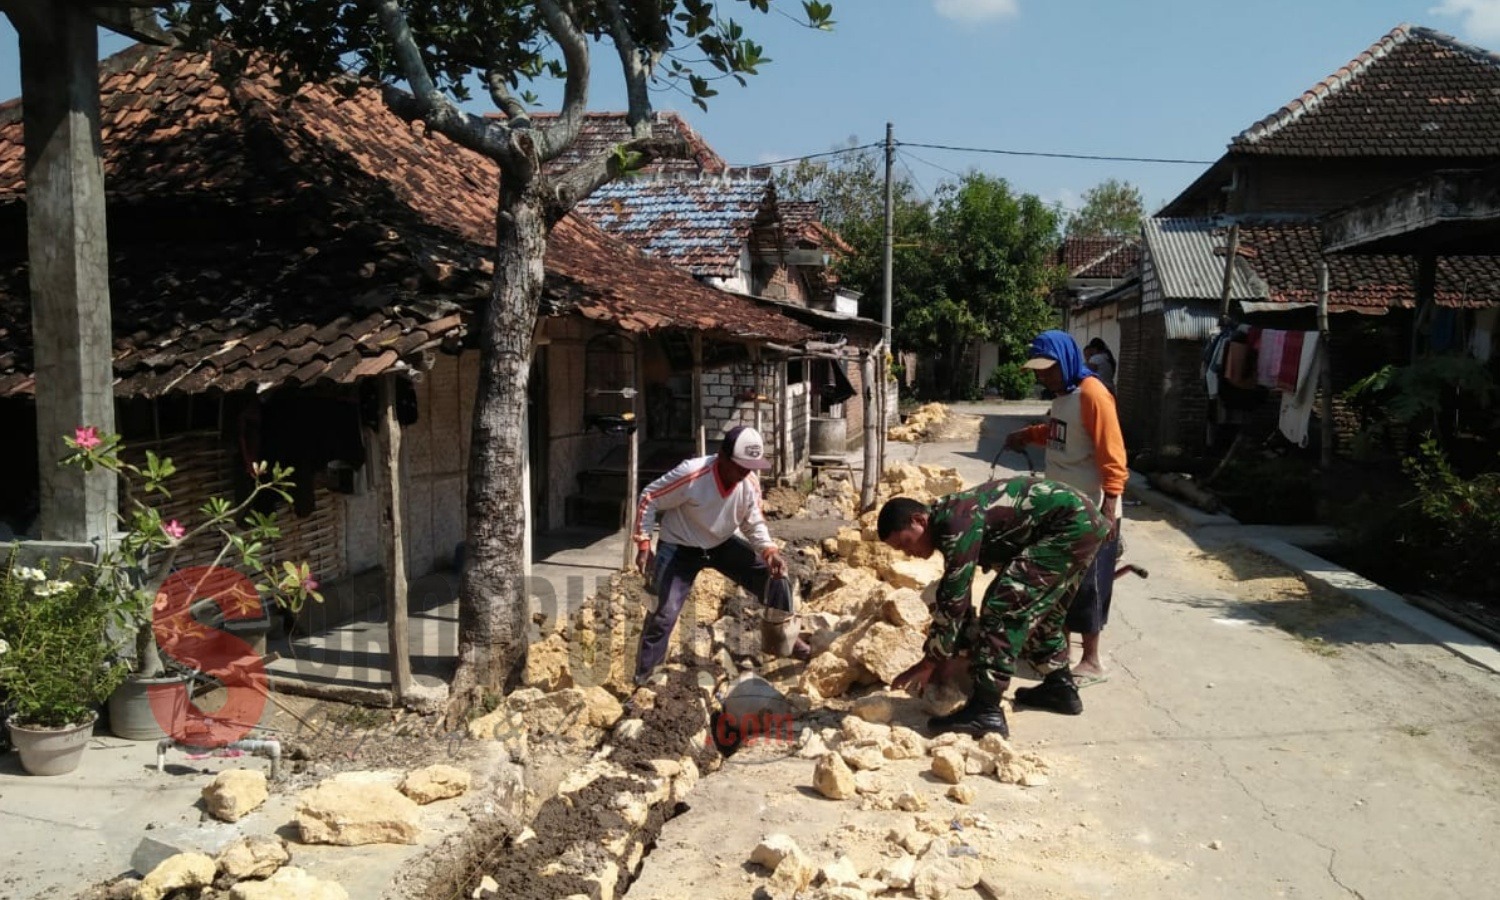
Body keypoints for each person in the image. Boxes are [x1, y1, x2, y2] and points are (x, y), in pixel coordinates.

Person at [877, 477, 1110, 737]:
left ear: (919, 520)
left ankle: (985, 710)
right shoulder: (948, 519)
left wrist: (929, 661)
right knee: (1042, 614)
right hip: (1080, 523)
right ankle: (1060, 688)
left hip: (1070, 524)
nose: (909, 553)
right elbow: (959, 602)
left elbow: (954, 598)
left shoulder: (955, 523)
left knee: (1003, 607)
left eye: (906, 543)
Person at [631, 425, 808, 685]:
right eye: (741, 466)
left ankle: (785, 642)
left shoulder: (749, 482)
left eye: (751, 466)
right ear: (723, 458)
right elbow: (650, 497)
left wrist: (769, 551)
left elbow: (753, 522)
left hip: (721, 543)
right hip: (680, 547)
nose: (746, 472)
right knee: (664, 613)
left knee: (776, 580)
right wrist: (644, 542)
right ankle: (644, 680)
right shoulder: (692, 474)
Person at [1004, 330, 1127, 686]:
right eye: (1038, 370)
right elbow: (1062, 434)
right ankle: (1058, 654)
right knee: (1060, 584)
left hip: (1092, 508)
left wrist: (1109, 509)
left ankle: (1091, 660)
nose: (1042, 375)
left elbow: (1113, 455)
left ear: (1066, 359)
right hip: (1060, 509)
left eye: (1048, 368)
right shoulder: (1064, 395)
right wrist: (1028, 434)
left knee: (1090, 585)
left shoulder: (1093, 394)